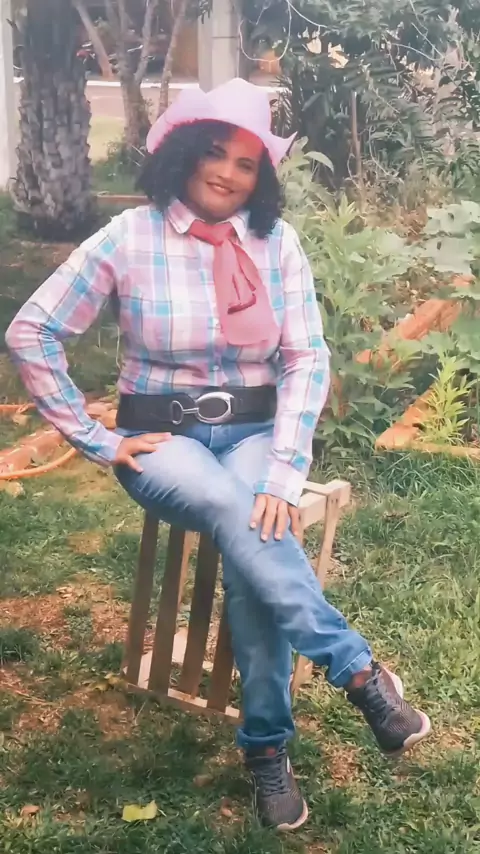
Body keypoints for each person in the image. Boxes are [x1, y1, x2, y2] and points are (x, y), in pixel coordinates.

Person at [6, 78, 430, 832]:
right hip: (162, 441)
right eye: (214, 153)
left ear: (260, 177)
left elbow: (305, 357)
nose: (228, 174)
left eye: (246, 162)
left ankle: (266, 748)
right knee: (243, 513)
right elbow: (31, 332)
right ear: (181, 155)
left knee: (255, 533)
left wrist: (284, 468)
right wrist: (98, 439)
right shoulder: (129, 237)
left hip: (255, 433)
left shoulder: (276, 243)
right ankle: (358, 670)